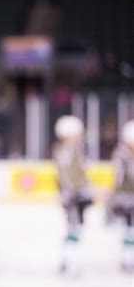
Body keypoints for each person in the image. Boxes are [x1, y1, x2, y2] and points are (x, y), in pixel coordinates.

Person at [52, 115, 94, 275]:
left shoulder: (74, 151)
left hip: (77, 195)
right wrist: (72, 192)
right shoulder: (65, 152)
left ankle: (67, 259)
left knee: (77, 228)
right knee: (74, 228)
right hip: (72, 197)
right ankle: (68, 261)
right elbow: (64, 175)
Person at [107, 119, 134, 272]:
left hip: (128, 197)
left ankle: (128, 258)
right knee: (130, 229)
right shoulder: (122, 156)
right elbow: (120, 179)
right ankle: (127, 259)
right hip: (126, 199)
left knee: (131, 230)